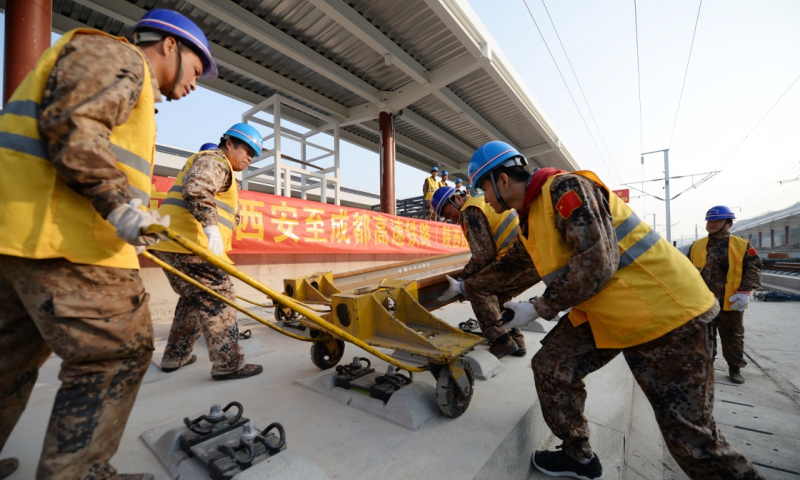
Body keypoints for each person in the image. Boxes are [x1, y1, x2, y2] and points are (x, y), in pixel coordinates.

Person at [0, 9, 216, 480]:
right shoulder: (119, 58)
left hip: (20, 239)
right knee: (114, 352)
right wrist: (120, 206)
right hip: (65, 242)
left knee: (9, 361)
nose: (195, 85)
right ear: (169, 46)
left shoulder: (127, 82)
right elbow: (75, 126)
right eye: (197, 71)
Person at [468, 141, 763, 480]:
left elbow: (598, 262)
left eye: (483, 188)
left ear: (502, 180)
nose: (485, 199)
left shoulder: (565, 188)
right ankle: (578, 456)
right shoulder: (531, 218)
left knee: (692, 440)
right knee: (552, 366)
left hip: (669, 315)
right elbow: (513, 266)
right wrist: (464, 287)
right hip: (615, 313)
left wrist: (538, 308)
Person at [150, 124, 264, 381]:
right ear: (229, 144)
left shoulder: (223, 170)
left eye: (254, 155)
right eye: (247, 150)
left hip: (170, 245)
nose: (249, 158)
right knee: (220, 300)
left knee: (193, 299)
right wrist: (211, 228)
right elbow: (197, 188)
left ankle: (175, 357)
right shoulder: (216, 160)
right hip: (191, 244)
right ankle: (229, 364)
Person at [432, 187, 537, 358]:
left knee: (475, 288)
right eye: (444, 216)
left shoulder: (470, 210)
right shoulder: (480, 201)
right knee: (498, 297)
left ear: (457, 198)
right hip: (533, 259)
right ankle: (516, 341)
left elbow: (483, 255)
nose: (448, 217)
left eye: (447, 211)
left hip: (515, 259)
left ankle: (501, 341)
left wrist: (463, 280)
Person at [688, 206, 761, 384]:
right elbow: (687, 270)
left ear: (729, 224)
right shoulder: (697, 246)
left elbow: (753, 268)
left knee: (733, 337)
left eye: (717, 221)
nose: (711, 224)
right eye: (709, 221)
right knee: (704, 338)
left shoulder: (743, 245)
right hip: (704, 302)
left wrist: (745, 291)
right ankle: (706, 368)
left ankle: (735, 369)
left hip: (731, 300)